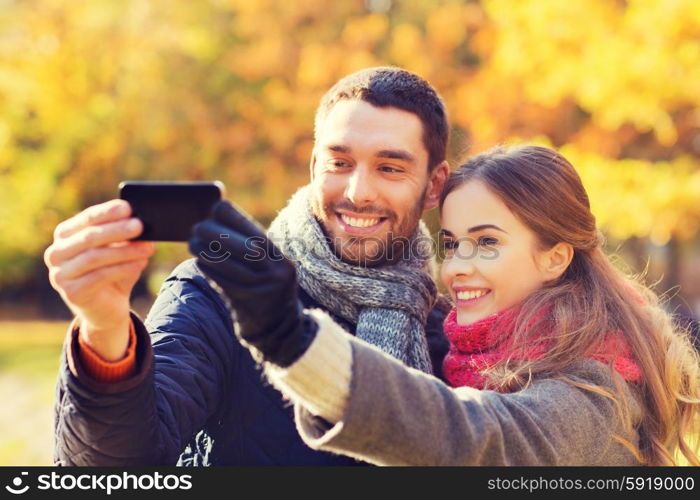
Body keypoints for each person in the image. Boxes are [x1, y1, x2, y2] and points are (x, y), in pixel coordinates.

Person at [45, 67, 452, 465]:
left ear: (433, 185)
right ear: (314, 167)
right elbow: (118, 467)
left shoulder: (450, 327)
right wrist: (105, 328)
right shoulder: (215, 292)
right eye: (339, 163)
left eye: (390, 168)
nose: (358, 192)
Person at [204, 145, 700, 465]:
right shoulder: (462, 352)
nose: (457, 267)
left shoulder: (593, 388)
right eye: (451, 243)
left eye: (486, 243)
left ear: (555, 258)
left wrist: (291, 339)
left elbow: (475, 436)